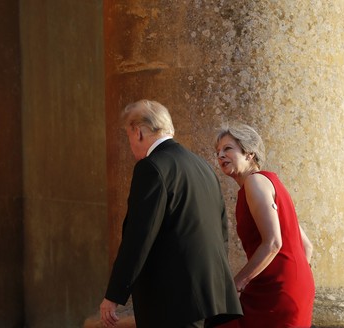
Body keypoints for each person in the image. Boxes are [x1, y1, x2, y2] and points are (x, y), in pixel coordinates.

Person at [99, 99, 243, 328]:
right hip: (205, 294)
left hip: (172, 299)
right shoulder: (203, 167)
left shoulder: (152, 167)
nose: (130, 145)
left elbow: (139, 236)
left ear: (138, 133)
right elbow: (221, 230)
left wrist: (114, 294)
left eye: (128, 137)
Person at [214, 123, 315, 328]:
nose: (220, 156)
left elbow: (273, 243)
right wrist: (296, 281)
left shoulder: (255, 182)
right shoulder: (269, 182)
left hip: (275, 291)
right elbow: (306, 246)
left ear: (249, 153)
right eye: (218, 152)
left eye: (228, 149)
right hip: (285, 286)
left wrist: (238, 282)